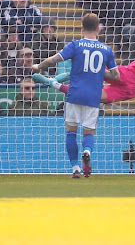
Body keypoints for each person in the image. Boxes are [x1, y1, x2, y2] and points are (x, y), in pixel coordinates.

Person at [31, 13, 116, 178]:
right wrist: (99, 72)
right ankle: (87, 151)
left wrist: (37, 66)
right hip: (93, 97)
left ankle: (75, 168)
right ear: (98, 28)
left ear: (82, 27)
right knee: (89, 133)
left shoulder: (75, 45)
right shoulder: (107, 50)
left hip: (74, 94)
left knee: (71, 132)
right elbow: (116, 76)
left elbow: (53, 60)